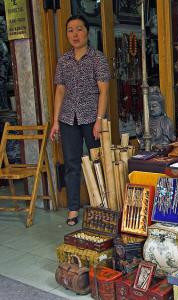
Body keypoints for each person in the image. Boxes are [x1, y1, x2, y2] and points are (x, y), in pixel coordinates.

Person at [49, 15, 110, 226]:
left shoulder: (97, 58)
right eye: (70, 30)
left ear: (87, 32)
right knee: (72, 164)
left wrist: (99, 120)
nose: (74, 34)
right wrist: (56, 121)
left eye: (79, 29)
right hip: (68, 118)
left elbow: (104, 92)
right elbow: (59, 91)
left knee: (97, 162)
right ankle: (73, 209)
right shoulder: (63, 60)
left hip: (91, 118)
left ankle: (102, 206)